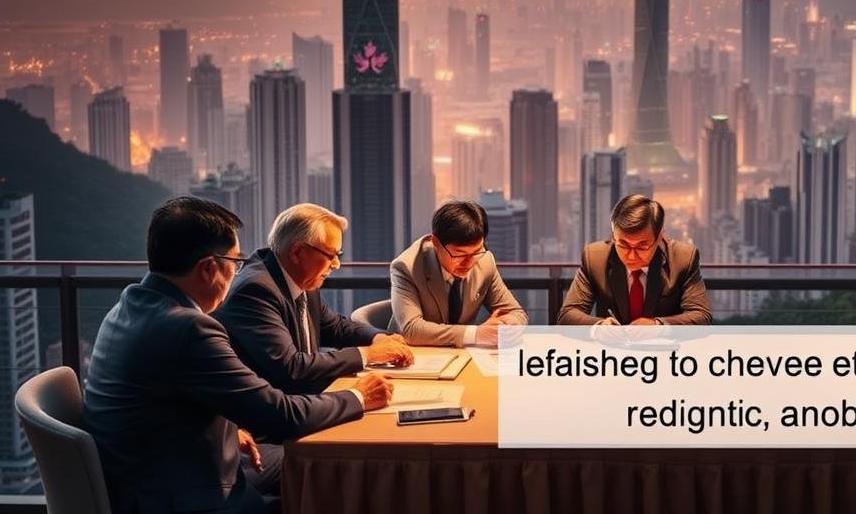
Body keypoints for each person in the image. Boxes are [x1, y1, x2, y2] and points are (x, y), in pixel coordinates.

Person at [83, 197, 392, 514]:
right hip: (186, 498)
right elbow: (281, 415)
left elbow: (164, 406)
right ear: (208, 268)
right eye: (234, 262)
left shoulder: (127, 307)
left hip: (145, 484)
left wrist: (229, 431)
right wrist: (359, 396)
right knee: (339, 474)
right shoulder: (189, 329)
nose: (237, 272)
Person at [214, 203, 413, 495]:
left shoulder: (300, 279)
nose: (337, 265)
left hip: (302, 408)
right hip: (265, 432)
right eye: (331, 255)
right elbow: (292, 367)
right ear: (298, 251)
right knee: (359, 468)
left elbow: (335, 326)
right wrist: (367, 356)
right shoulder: (256, 290)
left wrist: (380, 339)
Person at [558, 194, 712, 325]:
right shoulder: (595, 257)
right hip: (611, 347)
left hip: (665, 348)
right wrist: (599, 326)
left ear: (660, 237)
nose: (631, 256)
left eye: (642, 246)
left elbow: (701, 316)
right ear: (613, 236)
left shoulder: (683, 258)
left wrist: (658, 326)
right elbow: (567, 315)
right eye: (623, 244)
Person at [390, 200, 527, 347]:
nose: (469, 262)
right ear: (435, 243)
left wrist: (508, 324)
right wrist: (475, 334)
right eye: (459, 255)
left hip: (461, 354)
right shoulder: (406, 267)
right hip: (410, 353)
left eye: (476, 251)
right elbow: (411, 330)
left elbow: (516, 312)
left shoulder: (484, 260)